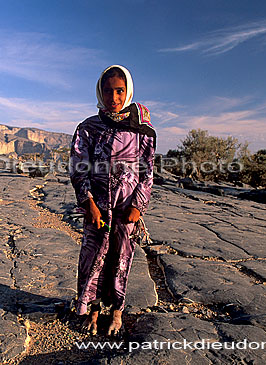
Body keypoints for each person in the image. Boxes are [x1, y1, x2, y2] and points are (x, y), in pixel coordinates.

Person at [69, 65, 156, 336]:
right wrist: (89, 204)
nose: (114, 98)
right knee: (93, 258)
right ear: (100, 91)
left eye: (119, 91)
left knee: (121, 259)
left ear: (128, 90)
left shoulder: (142, 129)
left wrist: (138, 206)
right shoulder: (88, 127)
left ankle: (116, 313)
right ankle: (92, 312)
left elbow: (147, 170)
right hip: (97, 208)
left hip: (126, 209)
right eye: (108, 91)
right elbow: (78, 167)